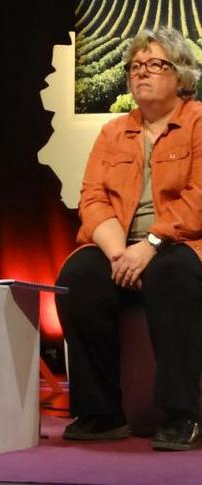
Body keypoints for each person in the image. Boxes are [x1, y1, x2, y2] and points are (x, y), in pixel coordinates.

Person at [56, 26, 202, 451]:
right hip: (124, 246)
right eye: (136, 66)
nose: (142, 73)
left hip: (183, 244)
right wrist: (120, 254)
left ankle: (182, 414)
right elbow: (93, 198)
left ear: (181, 76)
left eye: (155, 64)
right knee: (78, 277)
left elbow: (198, 199)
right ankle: (101, 412)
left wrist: (151, 244)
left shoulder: (198, 123)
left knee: (172, 276)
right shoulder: (113, 132)